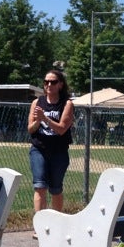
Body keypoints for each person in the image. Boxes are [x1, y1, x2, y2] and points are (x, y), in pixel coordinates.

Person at [28, 69, 75, 215]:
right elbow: (31, 129)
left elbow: (61, 129)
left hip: (58, 151)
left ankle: (55, 223)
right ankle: (39, 225)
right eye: (46, 82)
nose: (49, 84)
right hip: (39, 149)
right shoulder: (37, 102)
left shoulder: (66, 104)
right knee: (40, 186)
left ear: (60, 85)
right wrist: (38, 121)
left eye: (53, 82)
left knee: (55, 189)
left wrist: (45, 119)